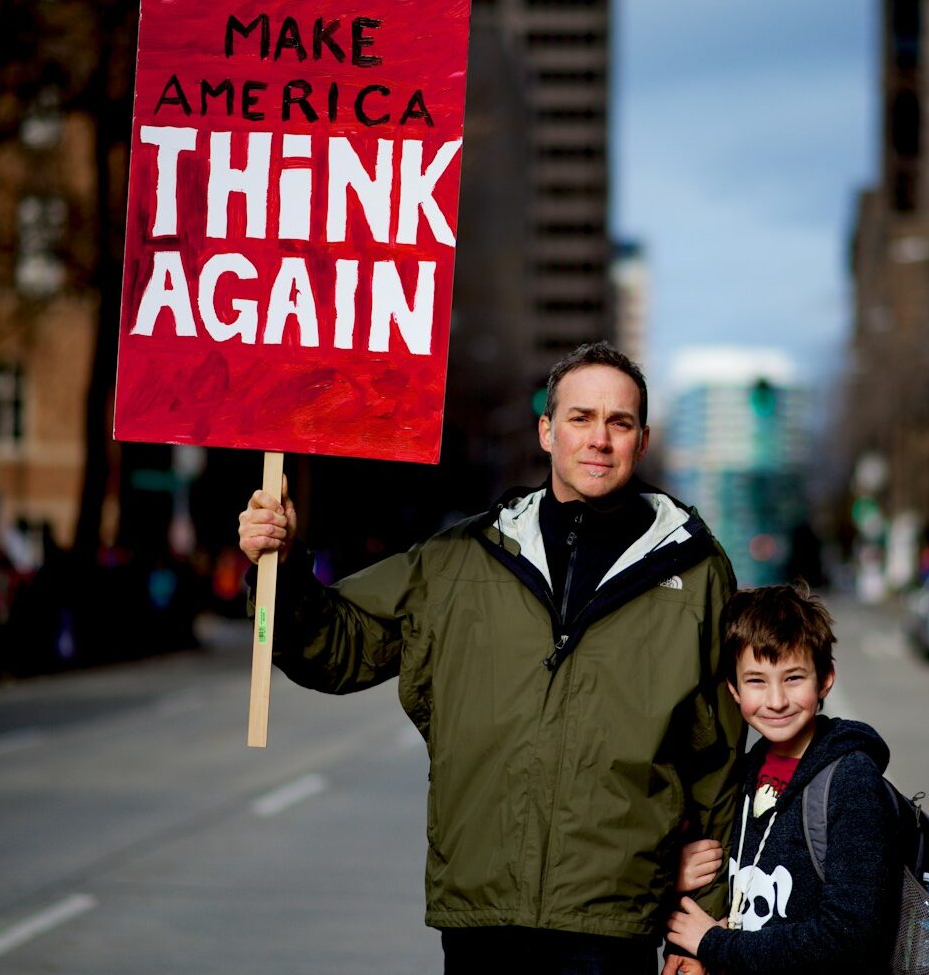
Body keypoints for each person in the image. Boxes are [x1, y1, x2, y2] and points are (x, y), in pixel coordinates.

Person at [237, 341, 742, 973]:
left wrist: (701, 933)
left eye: (619, 422)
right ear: (546, 431)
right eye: (580, 418)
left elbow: (717, 767)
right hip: (481, 914)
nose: (598, 439)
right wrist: (280, 569)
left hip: (613, 921)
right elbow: (333, 650)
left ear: (642, 441)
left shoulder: (696, 572)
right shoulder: (458, 560)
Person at [663, 584, 900, 974]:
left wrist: (715, 945)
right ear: (734, 689)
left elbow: (850, 934)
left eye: (793, 678)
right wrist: (671, 877)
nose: (776, 701)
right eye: (756, 680)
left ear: (824, 680)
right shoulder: (740, 776)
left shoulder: (849, 780)